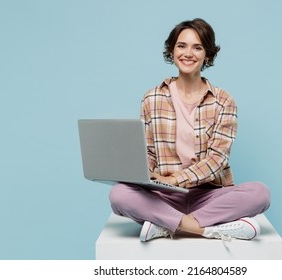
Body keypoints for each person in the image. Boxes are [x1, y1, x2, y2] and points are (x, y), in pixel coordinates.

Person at [109, 18, 270, 242]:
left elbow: (218, 159)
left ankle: (166, 225)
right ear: (172, 50)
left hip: (209, 195)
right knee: (119, 194)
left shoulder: (223, 100)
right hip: (164, 196)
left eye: (198, 47)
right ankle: (205, 229)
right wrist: (139, 173)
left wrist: (176, 179)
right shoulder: (151, 98)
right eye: (181, 45)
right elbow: (148, 152)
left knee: (260, 193)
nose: (188, 53)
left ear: (208, 55)